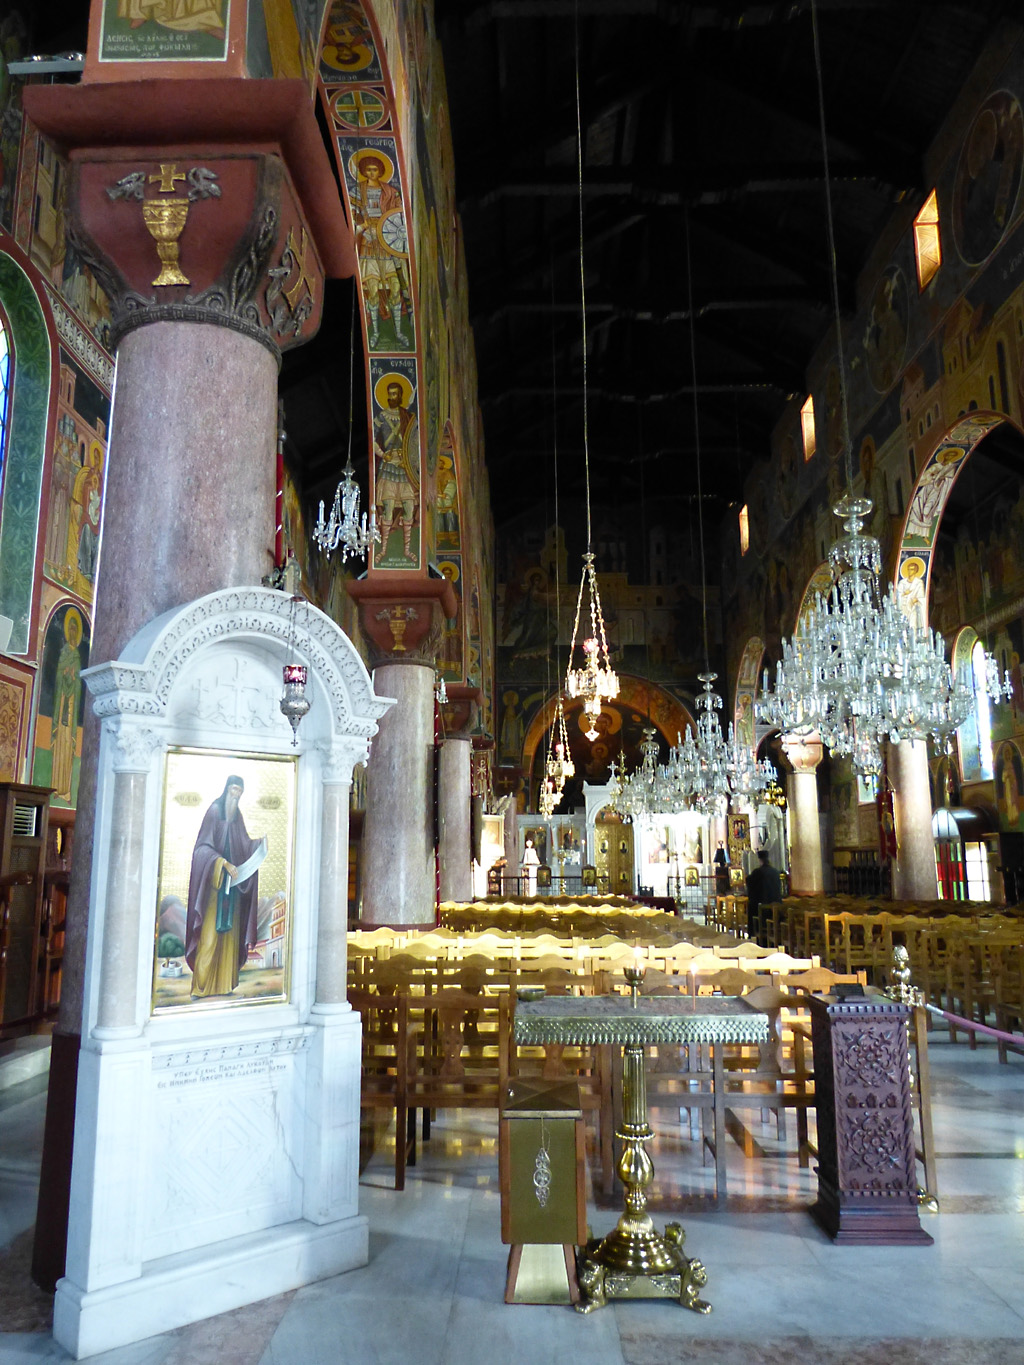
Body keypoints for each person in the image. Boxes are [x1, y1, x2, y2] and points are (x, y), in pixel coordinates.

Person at [185, 775, 267, 1000]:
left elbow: (243, 845)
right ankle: (200, 987)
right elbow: (201, 849)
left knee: (229, 939)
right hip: (214, 888)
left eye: (240, 791)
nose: (236, 795)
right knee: (209, 938)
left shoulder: (237, 817)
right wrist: (222, 863)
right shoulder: (214, 812)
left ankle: (225, 985)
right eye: (233, 789)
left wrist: (257, 846)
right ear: (226, 789)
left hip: (233, 890)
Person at [745, 849, 782, 945]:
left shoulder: (757, 872)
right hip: (775, 906)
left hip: (761, 907)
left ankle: (755, 935)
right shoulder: (776, 872)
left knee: (752, 907)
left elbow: (750, 884)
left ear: (760, 860)